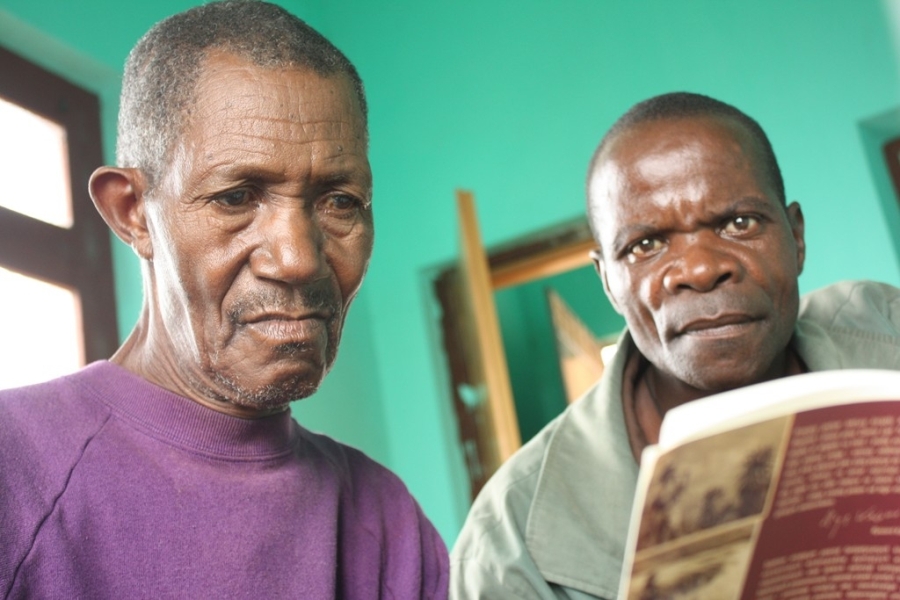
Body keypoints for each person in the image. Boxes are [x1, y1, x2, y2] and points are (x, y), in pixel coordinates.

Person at [0, 2, 448, 598]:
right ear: (132, 213)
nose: (299, 259)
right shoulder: (14, 468)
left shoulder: (390, 524)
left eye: (340, 201)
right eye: (236, 197)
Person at [450, 92, 900, 599]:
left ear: (796, 237)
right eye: (645, 245)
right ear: (608, 282)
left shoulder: (887, 329)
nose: (701, 269)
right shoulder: (506, 545)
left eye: (740, 223)